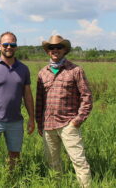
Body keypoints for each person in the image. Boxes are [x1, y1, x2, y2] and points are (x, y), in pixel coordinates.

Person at [0, 31, 35, 185]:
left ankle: (10, 182)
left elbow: (28, 96)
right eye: (6, 44)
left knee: (15, 154)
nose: (9, 47)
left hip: (16, 121)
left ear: (16, 47)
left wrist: (31, 118)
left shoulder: (23, 69)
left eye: (13, 44)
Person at [36, 35, 92, 188]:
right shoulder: (42, 73)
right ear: (48, 52)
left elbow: (86, 96)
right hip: (48, 125)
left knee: (79, 161)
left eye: (58, 47)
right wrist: (39, 123)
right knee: (52, 163)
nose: (55, 50)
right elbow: (39, 101)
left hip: (69, 124)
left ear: (65, 50)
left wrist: (77, 120)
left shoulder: (75, 70)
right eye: (52, 48)